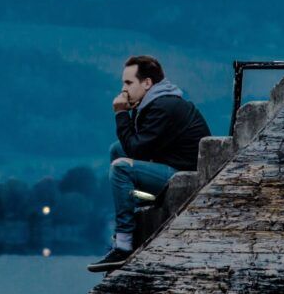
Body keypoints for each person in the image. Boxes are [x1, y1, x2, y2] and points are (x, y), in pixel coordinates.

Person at [87, 55, 211, 272]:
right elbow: (133, 145)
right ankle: (138, 205)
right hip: (171, 166)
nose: (123, 90)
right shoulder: (156, 102)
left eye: (128, 83)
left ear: (147, 83)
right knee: (116, 150)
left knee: (120, 167)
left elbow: (137, 148)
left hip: (186, 177)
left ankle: (124, 245)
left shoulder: (163, 106)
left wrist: (121, 113)